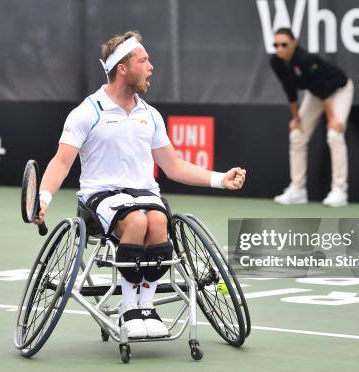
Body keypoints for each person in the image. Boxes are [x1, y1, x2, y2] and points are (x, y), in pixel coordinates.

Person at [33, 31, 246, 339]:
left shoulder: (151, 115)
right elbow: (62, 162)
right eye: (144, 60)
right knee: (135, 222)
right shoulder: (87, 111)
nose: (151, 67)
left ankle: (146, 306)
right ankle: (129, 307)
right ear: (123, 68)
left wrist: (220, 179)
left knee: (158, 221)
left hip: (145, 194)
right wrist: (43, 197)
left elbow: (173, 166)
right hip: (100, 198)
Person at [269, 27, 353, 207]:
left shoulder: (305, 59)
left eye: (284, 44)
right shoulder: (276, 61)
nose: (279, 49)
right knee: (297, 135)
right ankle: (297, 189)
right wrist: (296, 118)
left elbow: (322, 89)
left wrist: (332, 119)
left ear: (294, 43)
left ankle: (340, 190)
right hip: (316, 94)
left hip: (339, 90)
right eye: (276, 45)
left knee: (334, 135)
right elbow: (289, 89)